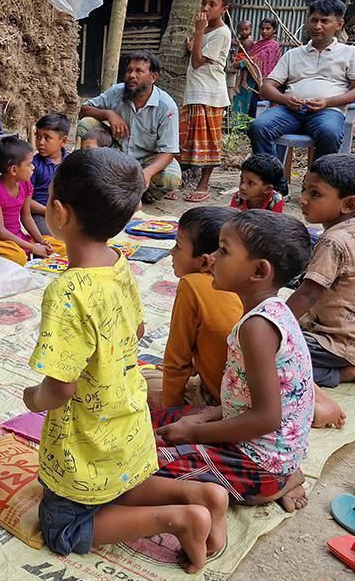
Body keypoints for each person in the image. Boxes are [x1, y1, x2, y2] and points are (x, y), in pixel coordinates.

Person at [24, 148, 228, 571]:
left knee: (61, 525)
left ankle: (181, 517)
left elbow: (60, 389)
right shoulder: (120, 262)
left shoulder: (67, 291)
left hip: (86, 439)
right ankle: (204, 495)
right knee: (114, 484)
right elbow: (135, 332)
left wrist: (33, 398)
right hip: (129, 424)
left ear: (58, 213)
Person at [152, 210, 314, 513]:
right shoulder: (266, 311)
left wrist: (195, 432)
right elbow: (244, 402)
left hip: (257, 461)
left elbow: (266, 418)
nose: (211, 257)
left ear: (258, 271)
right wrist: (206, 417)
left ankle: (274, 484)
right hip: (251, 435)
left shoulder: (258, 328)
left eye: (223, 250)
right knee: (154, 423)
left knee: (140, 466)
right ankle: (282, 476)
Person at [287, 155, 355, 428]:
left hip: (338, 341)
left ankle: (344, 373)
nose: (303, 199)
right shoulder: (353, 228)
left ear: (349, 204)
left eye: (315, 193)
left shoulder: (333, 241)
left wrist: (274, 324)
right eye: (305, 189)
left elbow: (308, 293)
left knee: (269, 351)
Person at [247, 0, 355, 193]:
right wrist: (284, 99)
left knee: (329, 132)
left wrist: (328, 102)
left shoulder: (349, 53)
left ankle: (315, 183)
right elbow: (266, 87)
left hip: (327, 111)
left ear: (339, 24)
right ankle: (275, 183)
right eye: (313, 20)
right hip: (290, 110)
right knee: (258, 126)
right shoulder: (293, 54)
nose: (317, 26)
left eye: (324, 21)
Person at [160, 207, 244, 408]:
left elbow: (177, 362)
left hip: (222, 402)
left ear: (206, 261)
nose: (171, 252)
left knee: (140, 381)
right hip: (260, 400)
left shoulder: (192, 284)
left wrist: (169, 412)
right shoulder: (248, 283)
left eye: (178, 246)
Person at [77, 50, 182, 203]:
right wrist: (108, 114)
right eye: (129, 70)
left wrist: (147, 173)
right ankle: (92, 180)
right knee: (87, 124)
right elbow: (83, 110)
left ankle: (143, 195)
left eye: (139, 71)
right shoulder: (117, 92)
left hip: (147, 159)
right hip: (116, 152)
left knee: (170, 178)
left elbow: (168, 151)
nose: (132, 75)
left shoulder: (166, 107)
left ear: (153, 77)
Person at [179, 0, 233, 202]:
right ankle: (179, 180)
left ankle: (204, 183)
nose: (206, 8)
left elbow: (198, 60)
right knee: (187, 138)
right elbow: (196, 50)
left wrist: (199, 31)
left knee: (209, 141)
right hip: (194, 91)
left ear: (224, 9)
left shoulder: (222, 32)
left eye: (213, 4)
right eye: (204, 3)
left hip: (209, 93)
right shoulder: (208, 31)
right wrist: (196, 38)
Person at [0, 136, 51, 264]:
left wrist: (40, 240)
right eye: (29, 164)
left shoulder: (25, 184)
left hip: (16, 235)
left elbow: (26, 217)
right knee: (18, 257)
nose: (33, 167)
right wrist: (33, 247)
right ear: (13, 170)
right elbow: (0, 231)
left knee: (58, 246)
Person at [30, 114, 70, 236]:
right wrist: (48, 211)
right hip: (41, 213)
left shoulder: (71, 162)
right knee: (53, 239)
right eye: (38, 137)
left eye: (47, 138)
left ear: (63, 141)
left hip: (66, 213)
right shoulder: (32, 165)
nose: (40, 142)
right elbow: (26, 201)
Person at [236, 18, 283, 117]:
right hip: (248, 79)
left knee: (254, 108)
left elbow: (255, 58)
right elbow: (248, 56)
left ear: (274, 30)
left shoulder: (273, 46)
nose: (264, 31)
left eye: (268, 28)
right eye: (262, 28)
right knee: (242, 106)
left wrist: (242, 63)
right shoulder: (258, 44)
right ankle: (239, 128)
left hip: (260, 82)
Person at [228, 19, 254, 109]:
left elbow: (249, 52)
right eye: (241, 30)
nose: (243, 32)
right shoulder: (241, 39)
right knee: (240, 71)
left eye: (246, 29)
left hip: (245, 58)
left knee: (244, 70)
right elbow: (233, 41)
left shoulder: (249, 40)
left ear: (250, 30)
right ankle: (237, 85)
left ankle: (243, 82)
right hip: (240, 56)